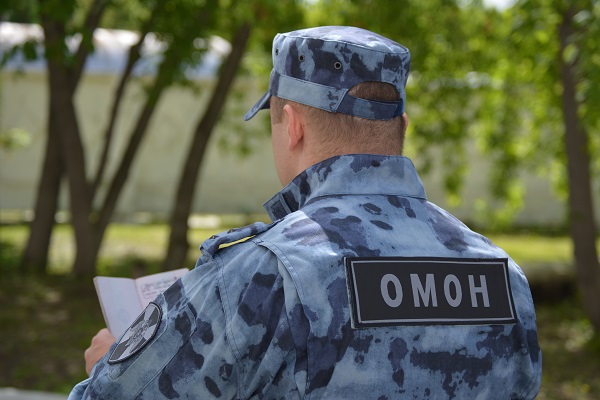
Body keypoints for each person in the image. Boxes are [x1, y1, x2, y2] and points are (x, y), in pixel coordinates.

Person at [69, 26, 542, 399]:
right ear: (401, 125)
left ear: (292, 125)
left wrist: (111, 365)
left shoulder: (264, 273)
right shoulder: (503, 276)